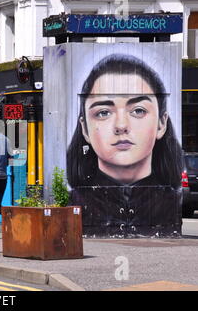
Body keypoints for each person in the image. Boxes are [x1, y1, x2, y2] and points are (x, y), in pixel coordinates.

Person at [66, 54, 183, 237]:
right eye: (103, 112)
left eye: (138, 110)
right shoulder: (71, 203)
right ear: (85, 128)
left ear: (162, 123)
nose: (121, 126)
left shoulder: (174, 202)